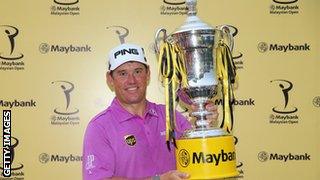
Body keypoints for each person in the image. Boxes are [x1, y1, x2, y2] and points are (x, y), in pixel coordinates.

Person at [82, 43, 218, 180]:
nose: (131, 80)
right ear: (110, 79)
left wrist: (204, 122)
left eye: (138, 71)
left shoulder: (170, 116)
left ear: (148, 74)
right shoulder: (100, 127)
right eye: (123, 73)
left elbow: (198, 157)